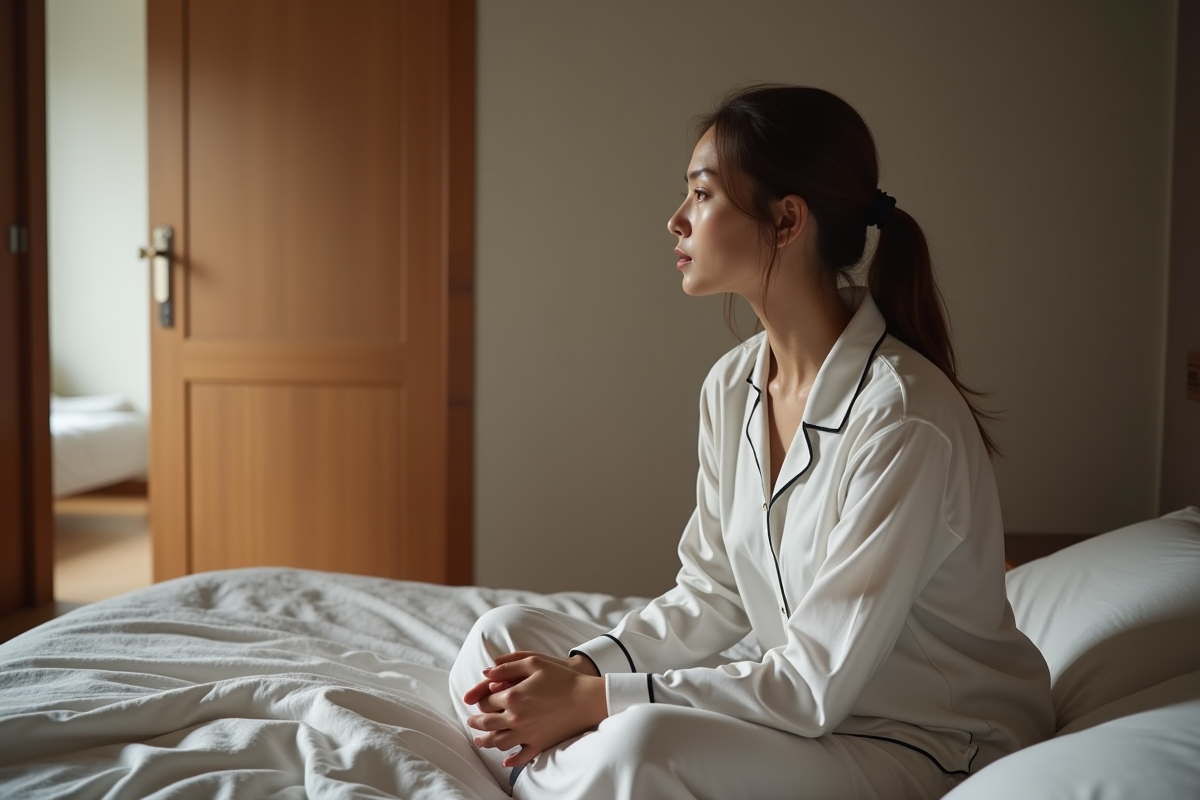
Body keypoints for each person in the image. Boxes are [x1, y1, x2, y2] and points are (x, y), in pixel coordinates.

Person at [449, 84, 1054, 800]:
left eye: (702, 196)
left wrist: (593, 703)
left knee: (641, 746)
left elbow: (811, 684)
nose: (675, 220)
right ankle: (565, 773)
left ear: (787, 219)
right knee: (502, 637)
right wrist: (581, 673)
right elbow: (713, 591)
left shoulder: (903, 420)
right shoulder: (732, 383)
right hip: (810, 721)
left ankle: (546, 772)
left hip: (923, 741)